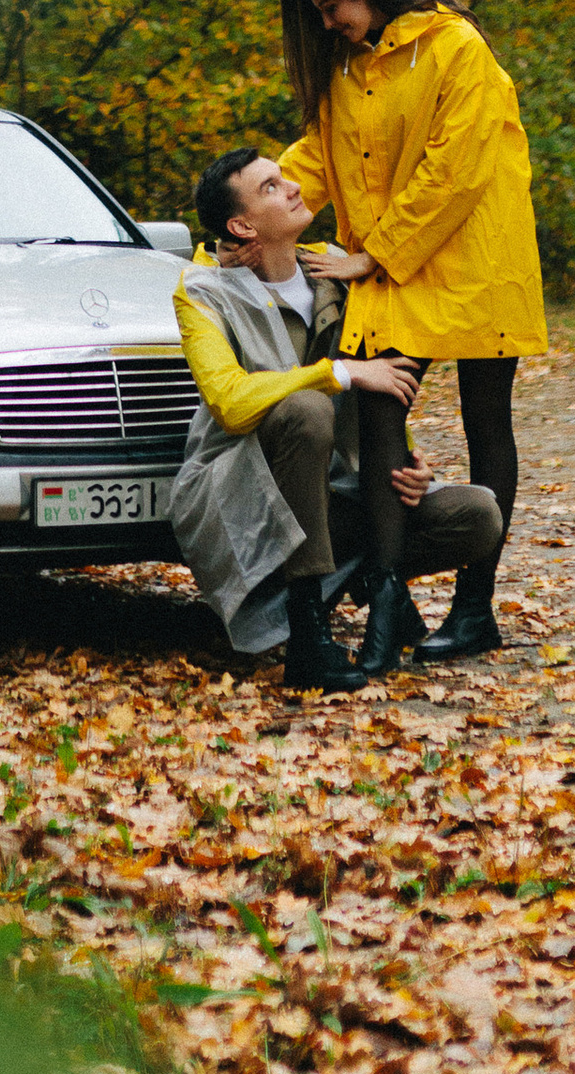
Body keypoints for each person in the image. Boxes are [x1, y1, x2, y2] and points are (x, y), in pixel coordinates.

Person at [263, 0, 546, 668]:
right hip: (395, 261)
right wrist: (246, 226)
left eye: (332, 8)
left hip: (475, 255)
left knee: (489, 422)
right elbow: (314, 162)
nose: (327, 24)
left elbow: (459, 166)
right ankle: (391, 594)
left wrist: (373, 253)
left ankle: (476, 607)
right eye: (320, 14)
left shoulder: (456, 47)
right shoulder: (352, 68)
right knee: (383, 408)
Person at [170, 146, 505, 694]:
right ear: (241, 225)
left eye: (283, 179)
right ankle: (308, 633)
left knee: (477, 516)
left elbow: (385, 378)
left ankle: (379, 590)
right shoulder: (203, 290)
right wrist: (340, 373)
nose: (294, 187)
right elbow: (229, 402)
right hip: (245, 496)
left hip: (332, 495)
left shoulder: (335, 269)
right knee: (306, 407)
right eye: (272, 187)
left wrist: (406, 459)